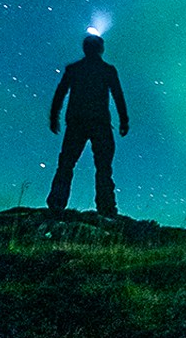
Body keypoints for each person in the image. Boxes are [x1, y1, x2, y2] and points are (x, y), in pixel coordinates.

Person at [47, 33, 130, 215]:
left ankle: (57, 203)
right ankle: (106, 207)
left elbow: (60, 93)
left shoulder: (74, 69)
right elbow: (118, 95)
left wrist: (54, 116)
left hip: (77, 122)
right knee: (103, 167)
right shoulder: (107, 70)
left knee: (67, 164)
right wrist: (124, 120)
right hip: (99, 123)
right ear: (101, 49)